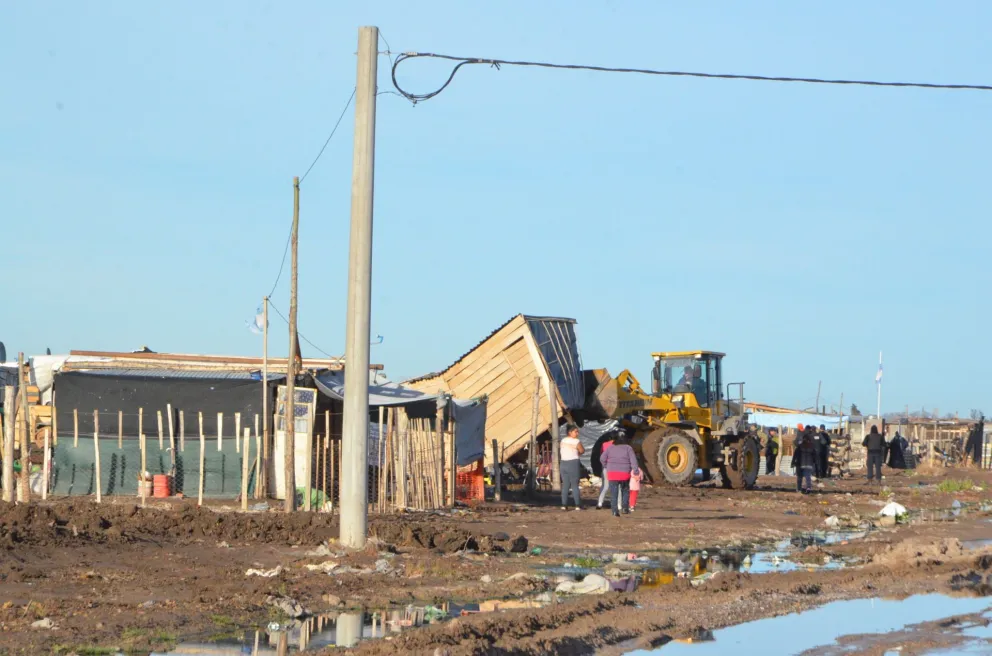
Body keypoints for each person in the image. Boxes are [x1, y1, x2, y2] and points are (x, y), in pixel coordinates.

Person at [600, 432, 640, 517]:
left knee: (614, 493)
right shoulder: (628, 448)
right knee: (625, 490)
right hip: (625, 473)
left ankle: (615, 511)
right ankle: (625, 507)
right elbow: (634, 461)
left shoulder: (610, 448)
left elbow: (602, 458)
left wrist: (606, 466)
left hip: (612, 473)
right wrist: (636, 472)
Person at [560, 424, 585, 510]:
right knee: (574, 485)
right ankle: (577, 505)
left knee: (565, 485)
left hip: (563, 463)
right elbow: (582, 450)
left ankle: (564, 504)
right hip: (573, 463)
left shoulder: (563, 440)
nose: (577, 433)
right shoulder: (576, 441)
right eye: (575, 431)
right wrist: (577, 453)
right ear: (570, 432)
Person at [596, 432, 616, 510]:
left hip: (605, 466)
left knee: (605, 486)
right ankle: (616, 504)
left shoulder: (604, 444)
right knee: (615, 486)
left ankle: (600, 503)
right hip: (614, 467)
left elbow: (601, 454)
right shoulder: (616, 446)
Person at [799, 427, 818, 493]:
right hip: (810, 463)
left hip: (802, 463)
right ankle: (808, 487)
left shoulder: (800, 446)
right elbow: (815, 455)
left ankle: (802, 487)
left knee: (802, 476)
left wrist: (795, 462)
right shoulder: (812, 446)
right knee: (808, 475)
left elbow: (797, 454)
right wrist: (815, 462)